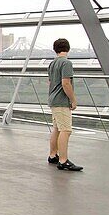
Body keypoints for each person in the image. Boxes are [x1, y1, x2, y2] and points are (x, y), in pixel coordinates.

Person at [46, 38, 83, 172]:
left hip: (53, 99)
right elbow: (66, 83)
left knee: (57, 128)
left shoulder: (52, 63)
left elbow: (50, 82)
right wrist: (73, 100)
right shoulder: (66, 63)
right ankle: (63, 160)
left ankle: (53, 154)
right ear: (68, 48)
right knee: (66, 130)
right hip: (61, 101)